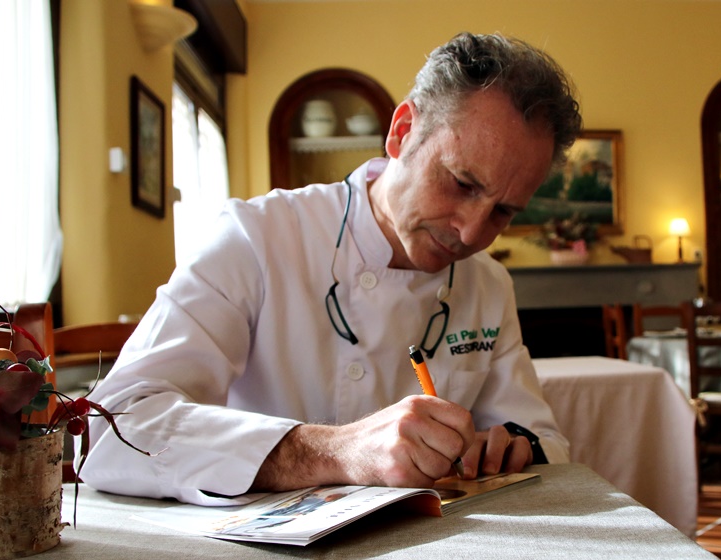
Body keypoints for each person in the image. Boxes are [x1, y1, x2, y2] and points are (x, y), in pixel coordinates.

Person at [81, 32, 583, 505]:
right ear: (403, 132)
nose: (473, 234)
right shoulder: (256, 237)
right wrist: (333, 450)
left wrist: (511, 446)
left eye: (503, 212)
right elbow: (112, 429)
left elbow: (543, 438)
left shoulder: (488, 283)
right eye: (461, 183)